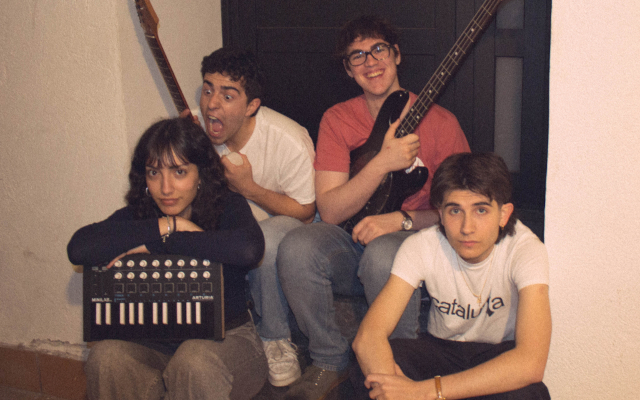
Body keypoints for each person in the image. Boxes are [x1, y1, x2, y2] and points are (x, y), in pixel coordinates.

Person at [277, 15, 470, 399]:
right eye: (358, 56)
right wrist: (382, 162)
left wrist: (401, 220)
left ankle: (400, 362)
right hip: (349, 242)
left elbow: (461, 209)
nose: (370, 62)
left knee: (384, 254)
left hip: (411, 242)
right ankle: (328, 359)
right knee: (296, 246)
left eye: (378, 49)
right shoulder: (338, 119)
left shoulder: (442, 123)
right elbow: (331, 210)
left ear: (396, 55)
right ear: (349, 70)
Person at [67, 118, 268, 400]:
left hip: (227, 339)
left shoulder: (227, 207)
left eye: (179, 172)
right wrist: (167, 225)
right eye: (154, 173)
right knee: (106, 357)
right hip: (154, 344)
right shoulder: (141, 214)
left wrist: (165, 242)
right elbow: (79, 248)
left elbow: (249, 249)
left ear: (201, 173)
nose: (165, 188)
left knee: (193, 361)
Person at [353, 152, 551, 400]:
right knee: (369, 370)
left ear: (503, 214)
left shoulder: (525, 250)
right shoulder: (422, 245)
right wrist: (394, 391)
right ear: (440, 214)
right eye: (455, 211)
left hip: (497, 354)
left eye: (481, 210)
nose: (467, 228)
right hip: (441, 351)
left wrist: (422, 392)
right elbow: (368, 337)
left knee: (529, 394)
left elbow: (531, 362)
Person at [197, 47, 316, 387]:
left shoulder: (288, 139)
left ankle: (275, 338)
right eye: (207, 90)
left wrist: (249, 188)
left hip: (285, 231)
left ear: (252, 106)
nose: (212, 104)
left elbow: (306, 213)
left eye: (227, 95)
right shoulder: (195, 131)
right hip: (229, 233)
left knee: (264, 239)